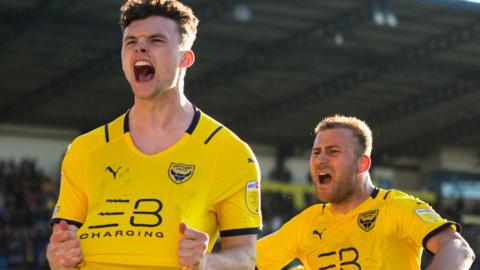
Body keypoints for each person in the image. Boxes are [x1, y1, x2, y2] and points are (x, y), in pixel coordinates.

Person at [46, 0, 262, 269]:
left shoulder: (230, 153)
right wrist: (59, 256)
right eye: (131, 41)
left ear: (185, 58)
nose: (140, 47)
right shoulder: (85, 149)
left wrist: (206, 263)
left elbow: (246, 257)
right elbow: (58, 251)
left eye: (156, 40)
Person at [256, 115, 475, 269]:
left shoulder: (396, 207)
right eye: (316, 152)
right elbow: (244, 262)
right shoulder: (306, 224)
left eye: (332, 151)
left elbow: (458, 248)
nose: (320, 160)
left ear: (362, 164)